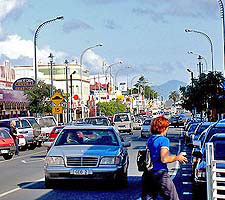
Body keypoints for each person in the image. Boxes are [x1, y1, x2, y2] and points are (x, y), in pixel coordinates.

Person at [141, 116, 188, 200]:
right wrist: (177, 158)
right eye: (167, 127)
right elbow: (164, 159)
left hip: (148, 174)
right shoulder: (164, 140)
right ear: (163, 128)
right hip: (160, 174)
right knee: (173, 198)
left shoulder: (150, 139)